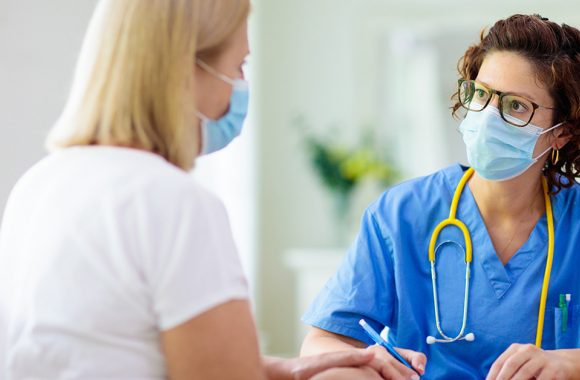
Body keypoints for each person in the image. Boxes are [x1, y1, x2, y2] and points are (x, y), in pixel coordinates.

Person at [0, 0, 415, 378]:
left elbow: (111, 351)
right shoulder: (171, 201)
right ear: (185, 67)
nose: (239, 89)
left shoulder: (40, 183)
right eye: (238, 68)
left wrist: (283, 369)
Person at [300, 14, 580, 379]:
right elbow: (323, 342)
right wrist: (370, 365)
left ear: (562, 132)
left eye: (515, 106)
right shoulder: (401, 214)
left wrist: (567, 364)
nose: (487, 116)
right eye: (480, 94)